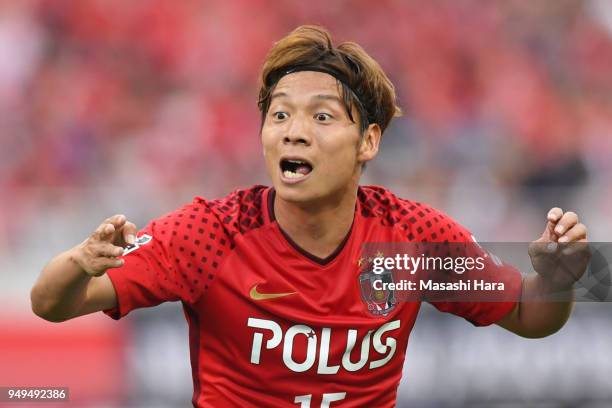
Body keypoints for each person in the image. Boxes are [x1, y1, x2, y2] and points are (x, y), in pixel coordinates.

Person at [31, 25, 591, 407]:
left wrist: (560, 282)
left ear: (368, 141)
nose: (294, 130)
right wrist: (80, 263)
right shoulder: (208, 232)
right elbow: (51, 304)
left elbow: (530, 314)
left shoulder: (413, 240)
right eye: (279, 115)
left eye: (322, 117)